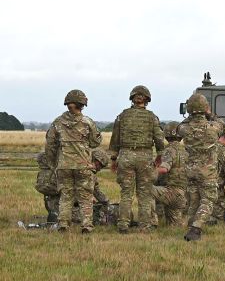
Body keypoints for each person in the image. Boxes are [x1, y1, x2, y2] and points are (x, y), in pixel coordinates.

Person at [44, 89, 102, 233]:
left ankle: (63, 224)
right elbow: (96, 142)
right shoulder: (87, 122)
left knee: (65, 195)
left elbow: (50, 145)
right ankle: (86, 226)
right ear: (82, 105)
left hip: (64, 165)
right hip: (83, 165)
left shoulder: (58, 122)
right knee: (85, 196)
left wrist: (53, 164)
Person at [109, 85, 165, 233]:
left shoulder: (122, 116)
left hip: (125, 156)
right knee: (145, 194)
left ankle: (123, 225)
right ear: (147, 99)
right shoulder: (152, 117)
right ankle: (144, 226)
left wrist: (114, 159)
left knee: (126, 193)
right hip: (145, 157)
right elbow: (159, 139)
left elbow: (115, 140)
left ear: (132, 98)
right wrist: (159, 155)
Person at [177, 93, 225, 241]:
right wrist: (210, 114)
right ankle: (196, 228)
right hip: (207, 171)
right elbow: (222, 124)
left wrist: (191, 115)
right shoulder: (213, 128)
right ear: (205, 108)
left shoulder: (185, 128)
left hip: (191, 170)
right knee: (208, 200)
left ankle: (190, 225)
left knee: (194, 199)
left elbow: (179, 127)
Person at [153, 122, 188, 227]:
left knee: (145, 190)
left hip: (171, 193)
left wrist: (147, 171)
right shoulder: (186, 151)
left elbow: (164, 169)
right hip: (183, 195)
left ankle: (150, 223)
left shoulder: (169, 150)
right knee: (174, 227)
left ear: (166, 135)